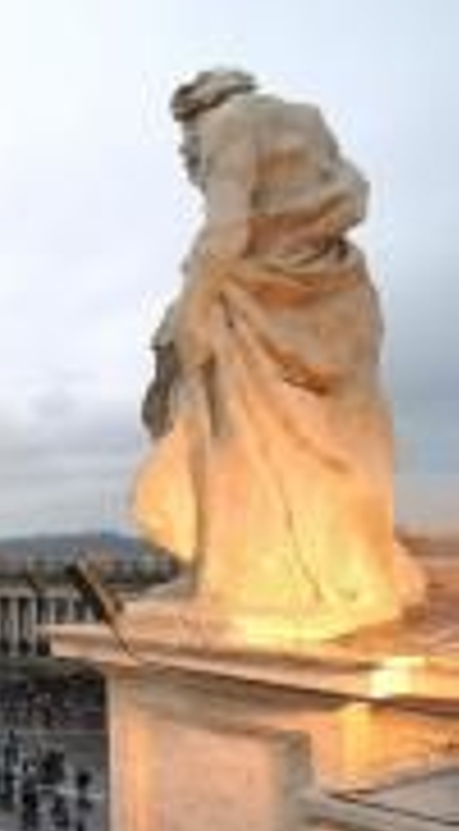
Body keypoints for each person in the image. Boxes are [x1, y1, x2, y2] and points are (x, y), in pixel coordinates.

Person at [133, 68, 425, 638]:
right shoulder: (307, 119)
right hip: (329, 292)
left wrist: (191, 311)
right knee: (333, 440)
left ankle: (234, 577)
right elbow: (354, 192)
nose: (186, 159)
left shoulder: (224, 125)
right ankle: (338, 564)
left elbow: (225, 231)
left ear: (193, 117)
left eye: (184, 150)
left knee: (228, 436)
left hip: (251, 299)